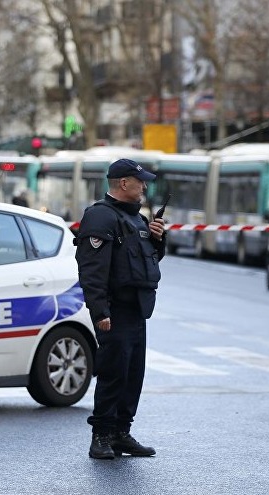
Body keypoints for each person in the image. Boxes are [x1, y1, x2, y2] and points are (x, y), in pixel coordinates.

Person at [75, 158, 166, 459]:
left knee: (132, 375)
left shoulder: (137, 220)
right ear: (124, 183)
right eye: (140, 181)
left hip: (137, 311)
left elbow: (146, 261)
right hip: (115, 311)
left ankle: (121, 432)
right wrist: (100, 312)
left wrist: (158, 240)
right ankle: (101, 435)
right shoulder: (101, 217)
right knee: (113, 374)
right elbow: (92, 270)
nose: (144, 187)